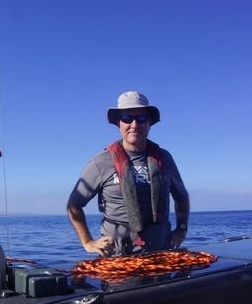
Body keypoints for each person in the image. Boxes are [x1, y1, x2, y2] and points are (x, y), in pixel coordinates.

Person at [67, 91, 190, 256]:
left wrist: (181, 229)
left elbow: (181, 196)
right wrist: (88, 242)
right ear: (118, 123)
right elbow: (74, 205)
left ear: (149, 123)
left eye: (141, 118)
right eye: (127, 118)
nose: (134, 125)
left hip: (161, 252)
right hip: (117, 255)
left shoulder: (165, 158)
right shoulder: (100, 162)